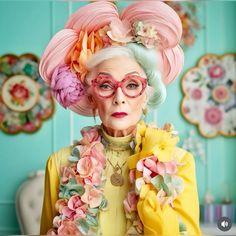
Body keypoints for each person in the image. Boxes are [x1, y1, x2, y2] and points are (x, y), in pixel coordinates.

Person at [39, 1, 201, 235]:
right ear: (92, 96)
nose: (119, 97)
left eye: (132, 85)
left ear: (146, 95)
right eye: (105, 85)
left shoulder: (179, 162)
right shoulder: (59, 164)